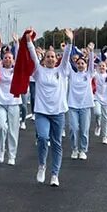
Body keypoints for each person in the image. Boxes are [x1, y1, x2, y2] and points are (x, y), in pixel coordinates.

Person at [25, 28, 73, 186]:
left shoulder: (62, 70)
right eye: (48, 57)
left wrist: (70, 41)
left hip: (58, 112)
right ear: (44, 59)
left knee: (57, 142)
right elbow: (32, 55)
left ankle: (55, 174)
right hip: (41, 112)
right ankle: (41, 165)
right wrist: (29, 41)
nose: (51, 59)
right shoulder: (39, 71)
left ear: (56, 58)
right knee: (43, 138)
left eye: (53, 57)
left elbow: (66, 57)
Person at [0, 39, 20, 164]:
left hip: (14, 102)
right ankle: (1, 149)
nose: (7, 59)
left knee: (13, 130)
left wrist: (16, 44)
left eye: (10, 58)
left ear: (13, 60)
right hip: (0, 101)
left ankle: (12, 155)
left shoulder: (16, 70)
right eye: (6, 57)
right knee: (2, 126)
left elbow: (20, 58)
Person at [66, 45, 96, 160]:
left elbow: (92, 66)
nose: (80, 65)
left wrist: (91, 52)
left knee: (84, 130)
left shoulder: (88, 74)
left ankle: (83, 150)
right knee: (73, 128)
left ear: (86, 65)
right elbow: (66, 63)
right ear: (75, 64)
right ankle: (74, 149)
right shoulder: (72, 74)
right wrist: (66, 51)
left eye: (82, 63)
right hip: (73, 105)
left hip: (85, 105)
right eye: (78, 63)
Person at [93, 60, 107, 146]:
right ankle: (98, 125)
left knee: (105, 118)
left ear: (106, 68)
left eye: (103, 66)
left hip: (106, 99)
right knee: (97, 113)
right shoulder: (96, 75)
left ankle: (104, 136)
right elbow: (91, 72)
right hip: (96, 97)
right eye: (100, 66)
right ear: (97, 67)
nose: (101, 67)